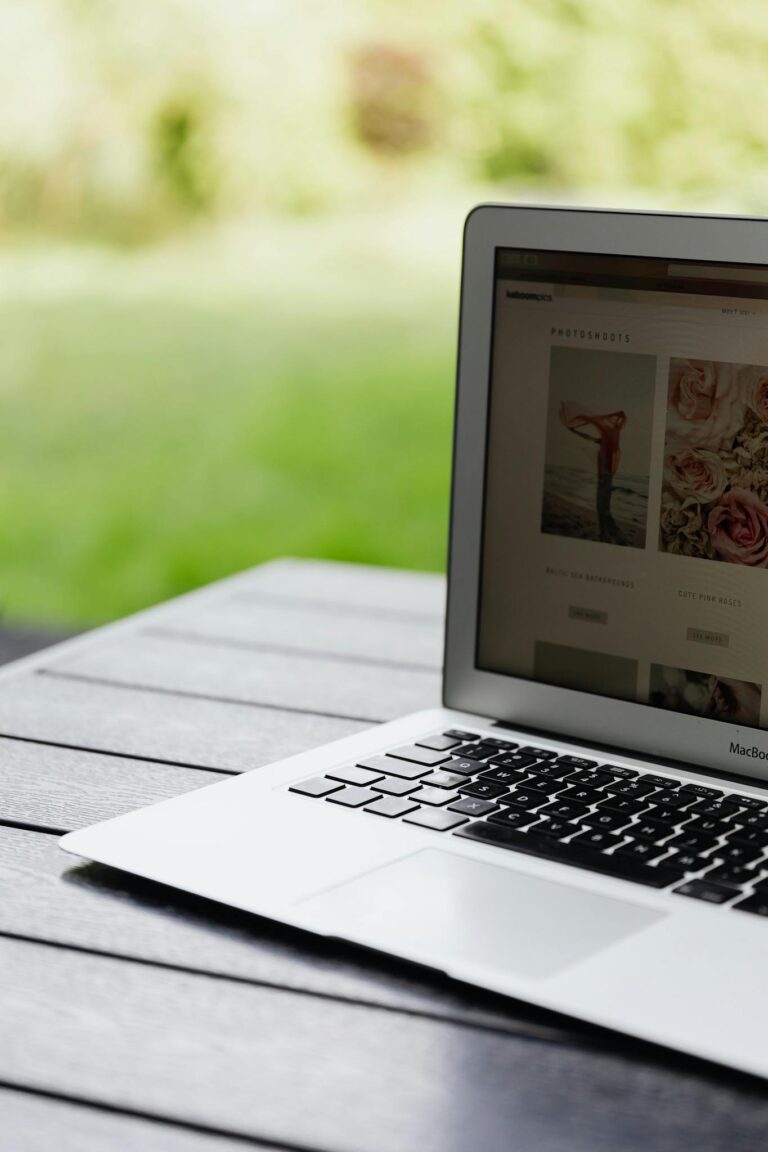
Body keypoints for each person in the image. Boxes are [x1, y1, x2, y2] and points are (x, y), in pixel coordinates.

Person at [560, 403, 627, 544]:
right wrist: (576, 431)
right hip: (605, 477)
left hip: (605, 477)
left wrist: (603, 417)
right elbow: (589, 436)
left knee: (602, 506)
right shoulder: (609, 437)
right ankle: (604, 532)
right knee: (603, 506)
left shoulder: (609, 436)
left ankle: (604, 532)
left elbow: (621, 414)